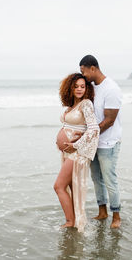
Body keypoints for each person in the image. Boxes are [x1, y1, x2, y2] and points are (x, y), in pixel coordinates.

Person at [79, 55, 123, 228]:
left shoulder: (111, 88)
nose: (84, 76)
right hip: (94, 142)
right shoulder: (92, 87)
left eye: (84, 72)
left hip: (109, 143)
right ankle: (103, 212)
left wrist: (89, 136)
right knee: (96, 179)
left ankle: (116, 216)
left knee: (109, 179)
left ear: (93, 68)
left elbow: (110, 119)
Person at [54, 73, 100, 232]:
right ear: (70, 88)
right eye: (76, 86)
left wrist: (77, 145)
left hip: (77, 153)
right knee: (71, 187)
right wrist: (59, 139)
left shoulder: (86, 104)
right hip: (67, 152)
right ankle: (73, 220)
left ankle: (70, 221)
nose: (79, 89)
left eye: (83, 86)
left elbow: (94, 128)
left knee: (59, 186)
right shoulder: (71, 106)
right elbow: (72, 126)